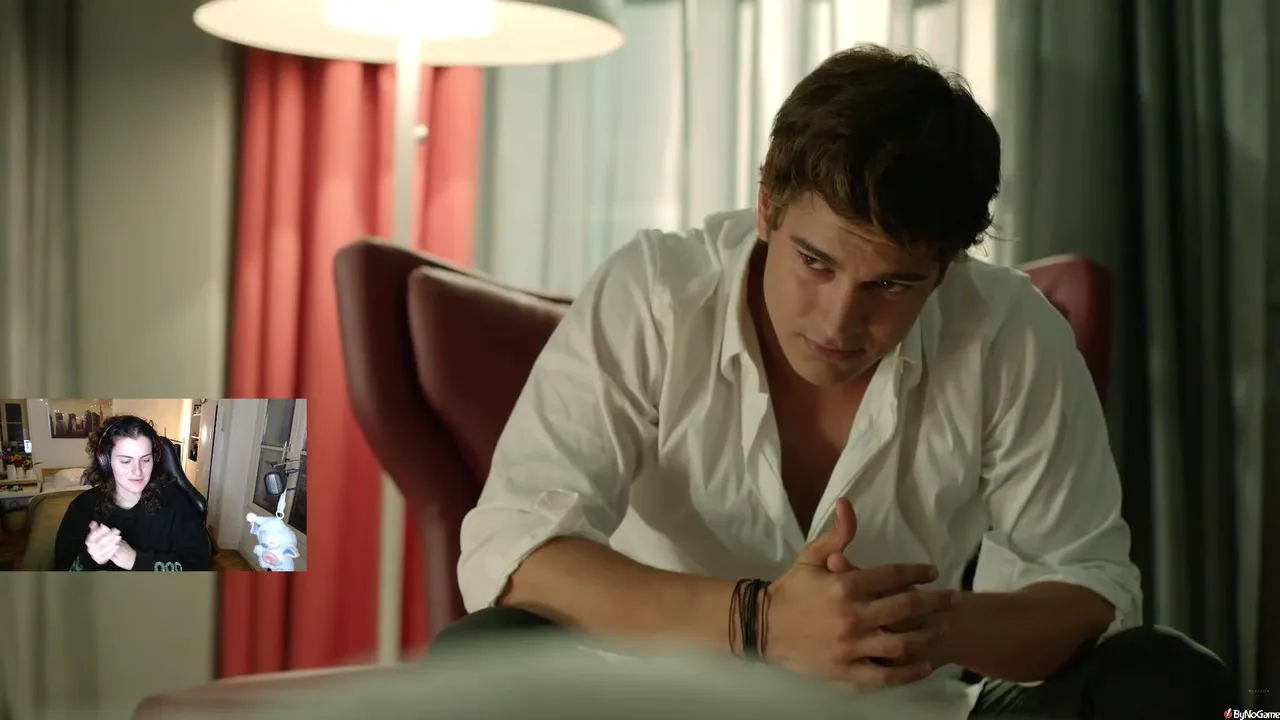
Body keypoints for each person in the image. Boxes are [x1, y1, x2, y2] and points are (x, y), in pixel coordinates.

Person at [445, 45, 1234, 717]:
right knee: (483, 656)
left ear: (946, 268)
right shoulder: (654, 293)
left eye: (891, 284)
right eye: (814, 263)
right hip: (659, 705)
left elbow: (1089, 591)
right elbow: (514, 552)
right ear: (767, 210)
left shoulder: (1009, 330)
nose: (839, 321)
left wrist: (918, 627)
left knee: (1172, 684)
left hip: (908, 709)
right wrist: (760, 622)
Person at [54, 414, 212, 572]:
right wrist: (88, 558)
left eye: (145, 460)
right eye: (125, 461)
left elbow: (199, 565)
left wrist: (137, 561)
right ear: (105, 463)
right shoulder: (81, 508)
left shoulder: (175, 503)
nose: (138, 471)